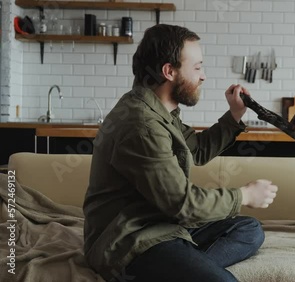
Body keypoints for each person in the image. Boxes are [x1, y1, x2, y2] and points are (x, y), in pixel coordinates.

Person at [83, 24, 278, 282]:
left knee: (248, 229)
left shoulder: (158, 110)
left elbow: (196, 150)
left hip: (162, 224)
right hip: (130, 238)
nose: (203, 76)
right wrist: (244, 195)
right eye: (197, 67)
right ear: (169, 71)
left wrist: (234, 116)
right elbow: (182, 204)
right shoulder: (142, 125)